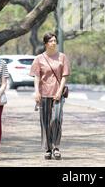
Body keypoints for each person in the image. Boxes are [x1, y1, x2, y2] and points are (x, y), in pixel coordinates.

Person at [30, 32, 71, 160]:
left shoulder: (62, 57)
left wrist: (59, 92)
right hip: (44, 94)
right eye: (51, 41)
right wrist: (37, 92)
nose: (54, 43)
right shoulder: (39, 59)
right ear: (46, 43)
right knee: (45, 122)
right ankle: (48, 149)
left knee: (57, 119)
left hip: (58, 94)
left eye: (55, 40)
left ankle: (56, 146)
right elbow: (36, 76)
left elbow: (65, 76)